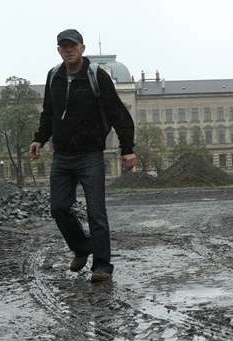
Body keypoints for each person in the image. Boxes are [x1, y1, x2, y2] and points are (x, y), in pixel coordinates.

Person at [29, 29, 136, 283]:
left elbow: (118, 113)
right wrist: (39, 138)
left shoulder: (97, 76)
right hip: (62, 157)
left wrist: (127, 148)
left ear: (82, 48)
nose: (69, 49)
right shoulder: (53, 76)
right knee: (58, 208)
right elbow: (49, 113)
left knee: (96, 213)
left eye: (73, 45)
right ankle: (81, 247)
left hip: (90, 155)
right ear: (59, 50)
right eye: (64, 46)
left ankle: (102, 266)